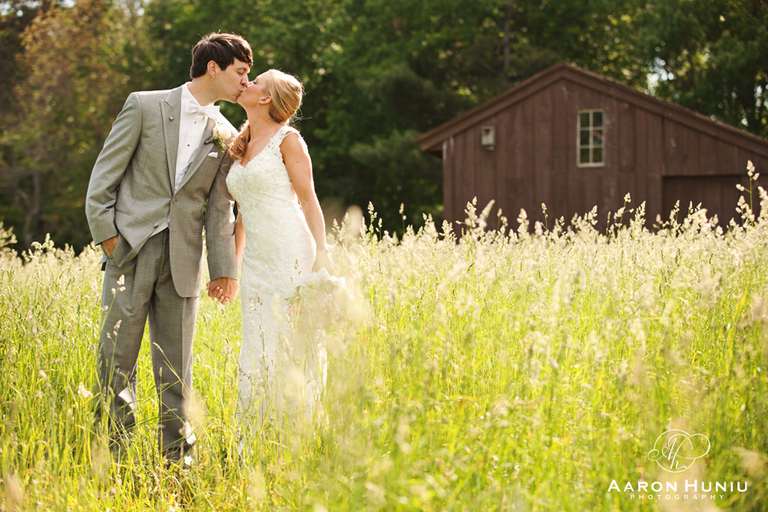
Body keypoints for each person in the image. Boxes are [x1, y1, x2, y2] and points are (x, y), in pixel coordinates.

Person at [85, 32, 252, 465]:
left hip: (183, 262)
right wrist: (111, 241)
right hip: (130, 252)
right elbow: (103, 180)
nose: (244, 82)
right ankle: (111, 458)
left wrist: (224, 270)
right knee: (115, 361)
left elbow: (219, 211)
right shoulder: (143, 105)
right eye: (240, 72)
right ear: (213, 67)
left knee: (176, 370)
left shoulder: (226, 133)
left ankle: (177, 463)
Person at [211, 69, 333, 438]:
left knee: (293, 344)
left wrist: (322, 253)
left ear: (266, 98)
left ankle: (301, 435)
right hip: (256, 262)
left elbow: (309, 199)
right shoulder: (241, 140)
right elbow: (244, 210)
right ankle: (256, 439)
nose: (246, 83)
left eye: (256, 81)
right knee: (257, 344)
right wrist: (230, 265)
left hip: (291, 252)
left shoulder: (288, 140)